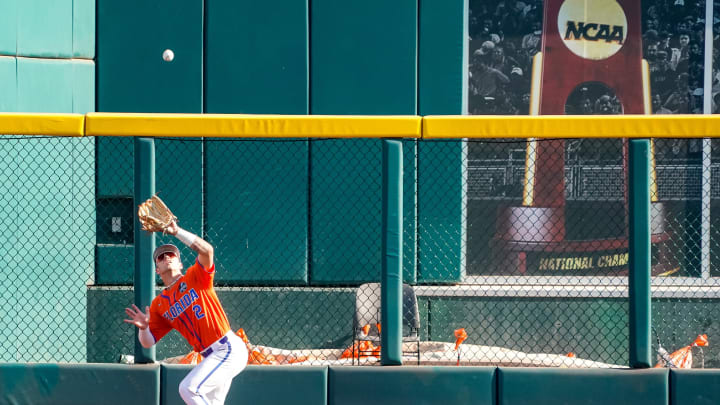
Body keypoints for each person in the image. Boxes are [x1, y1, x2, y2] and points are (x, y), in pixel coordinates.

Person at [124, 219, 247, 405]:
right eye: (161, 257)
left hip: (227, 348)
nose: (167, 257)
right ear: (157, 269)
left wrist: (176, 231)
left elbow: (207, 251)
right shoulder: (159, 305)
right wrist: (143, 327)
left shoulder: (196, 276)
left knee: (189, 388)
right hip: (211, 356)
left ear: (180, 263)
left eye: (171, 255)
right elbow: (148, 342)